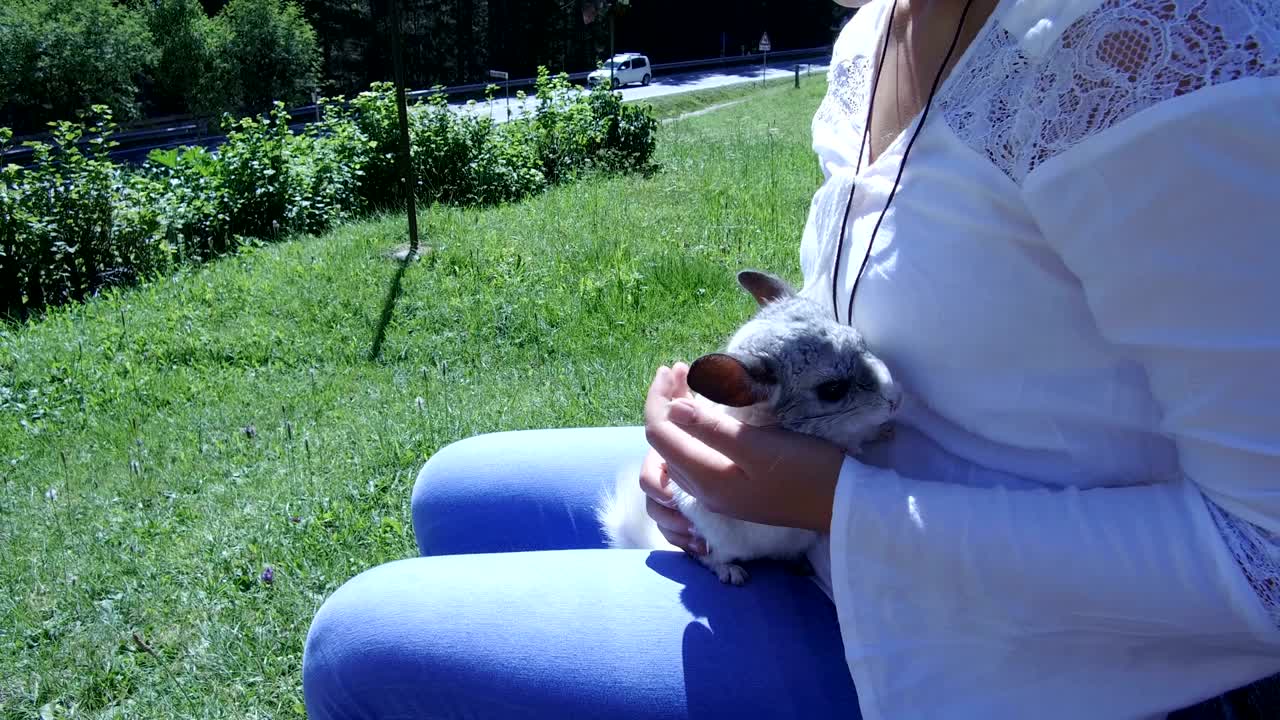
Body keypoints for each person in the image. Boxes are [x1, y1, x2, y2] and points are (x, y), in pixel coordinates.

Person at [302, 0, 1280, 716]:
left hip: (1001, 651)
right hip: (834, 523)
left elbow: (1265, 565)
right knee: (453, 490)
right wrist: (723, 441)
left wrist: (820, 501)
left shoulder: (1154, 56)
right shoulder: (877, 34)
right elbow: (873, 301)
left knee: (358, 647)